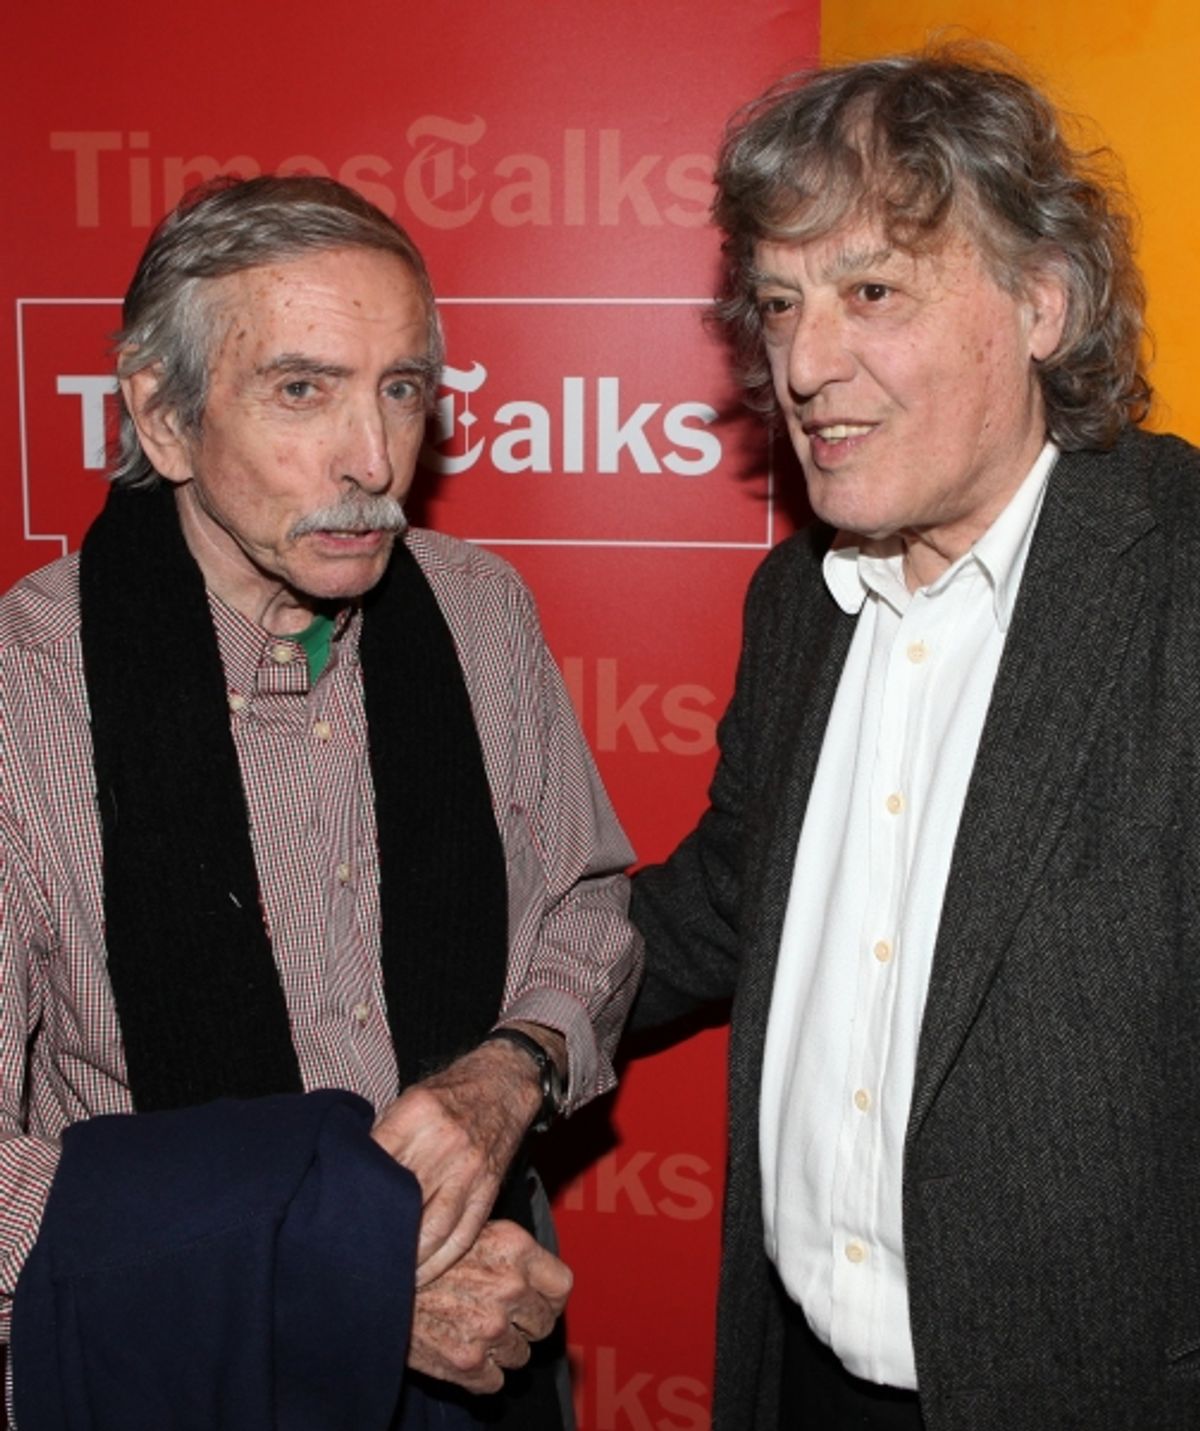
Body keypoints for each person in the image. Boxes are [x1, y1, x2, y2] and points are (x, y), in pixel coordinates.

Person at [0, 174, 641, 1428]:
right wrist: (328, 1280)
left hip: (491, 1339)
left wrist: (507, 1075)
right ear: (164, 418)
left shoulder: (478, 613)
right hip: (188, 1368)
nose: (372, 459)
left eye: (401, 389)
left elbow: (587, 912)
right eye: (303, 389)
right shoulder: (26, 697)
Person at [630, 46, 1200, 1431]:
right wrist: (490, 1022)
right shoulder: (798, 601)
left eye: (872, 291)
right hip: (802, 1379)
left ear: (1042, 303)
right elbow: (721, 902)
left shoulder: (1176, 579)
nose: (806, 365)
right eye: (779, 304)